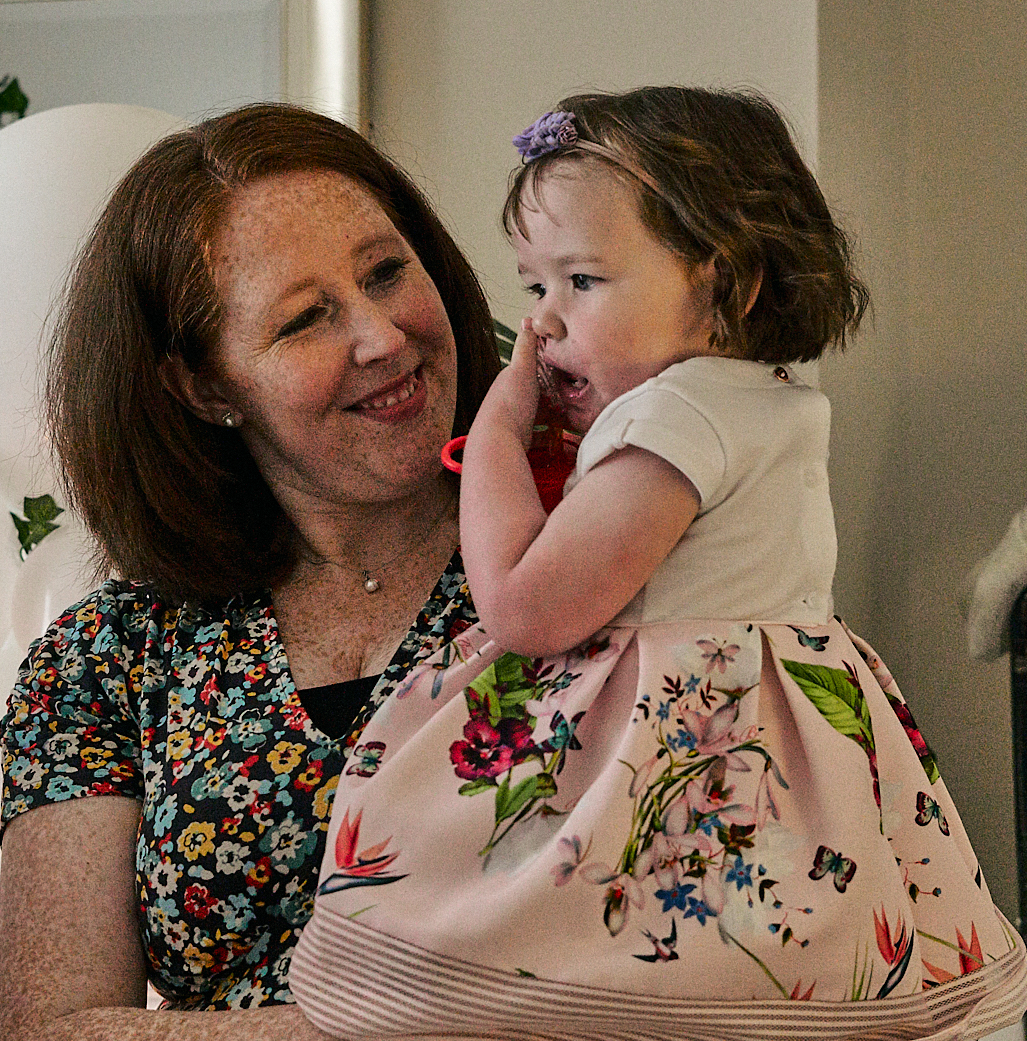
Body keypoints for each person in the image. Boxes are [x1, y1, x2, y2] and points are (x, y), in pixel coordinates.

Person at [291, 87, 1027, 1040]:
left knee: (604, 946)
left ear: (727, 285)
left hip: (676, 736)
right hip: (792, 739)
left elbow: (522, 608)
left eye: (583, 282)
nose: (544, 324)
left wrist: (499, 432)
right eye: (533, 287)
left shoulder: (674, 421)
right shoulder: (761, 400)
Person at [0, 102, 502, 1039]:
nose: (383, 335)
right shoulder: (111, 657)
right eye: (307, 319)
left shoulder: (594, 548)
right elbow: (46, 1030)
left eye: (388, 271)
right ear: (205, 383)